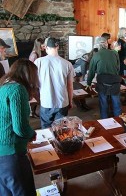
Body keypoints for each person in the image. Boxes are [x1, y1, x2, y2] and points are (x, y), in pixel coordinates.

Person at [0, 58, 38, 196]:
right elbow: (20, 128)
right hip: (12, 153)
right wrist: (32, 134)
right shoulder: (18, 89)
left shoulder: (4, 85)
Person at [34, 37, 75, 128]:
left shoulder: (38, 62)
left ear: (46, 47)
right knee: (60, 129)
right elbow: (70, 86)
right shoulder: (67, 64)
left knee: (46, 128)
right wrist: (70, 101)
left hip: (46, 101)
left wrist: (38, 99)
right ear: (58, 47)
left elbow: (35, 84)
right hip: (62, 102)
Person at [86, 37, 121, 119]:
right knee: (116, 104)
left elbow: (91, 71)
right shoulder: (114, 53)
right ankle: (119, 123)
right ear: (106, 44)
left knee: (103, 104)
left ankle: (105, 123)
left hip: (102, 83)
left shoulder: (96, 55)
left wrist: (88, 83)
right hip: (115, 82)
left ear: (97, 45)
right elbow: (118, 68)